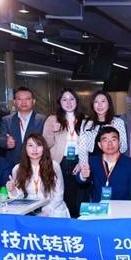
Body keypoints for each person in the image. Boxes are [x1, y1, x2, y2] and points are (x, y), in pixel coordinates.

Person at [43, 89, 87, 217]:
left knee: (79, 195)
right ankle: (65, 220)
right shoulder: (52, 119)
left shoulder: (85, 119)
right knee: (62, 192)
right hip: (59, 160)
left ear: (77, 101)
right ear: (59, 102)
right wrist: (52, 131)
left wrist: (82, 162)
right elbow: (45, 144)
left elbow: (89, 145)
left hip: (79, 160)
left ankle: (79, 220)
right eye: (64, 99)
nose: (68, 102)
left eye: (72, 99)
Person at [6, 134, 69, 218]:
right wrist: (13, 190)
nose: (34, 149)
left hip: (54, 210)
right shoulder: (17, 169)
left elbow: (59, 194)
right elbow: (20, 198)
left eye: (39, 145)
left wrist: (47, 211)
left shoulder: (54, 166)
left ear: (44, 148)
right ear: (25, 148)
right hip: (30, 212)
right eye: (30, 145)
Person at [77, 126, 131, 203]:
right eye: (105, 140)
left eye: (113, 140)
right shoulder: (93, 161)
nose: (110, 143)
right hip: (99, 207)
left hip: (122, 207)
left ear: (119, 143)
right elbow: (80, 180)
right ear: (99, 145)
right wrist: (83, 176)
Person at [77, 90, 128, 168]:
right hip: (92, 163)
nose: (99, 105)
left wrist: (113, 132)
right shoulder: (86, 123)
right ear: (92, 105)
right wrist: (84, 166)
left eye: (103, 101)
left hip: (113, 164)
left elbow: (123, 148)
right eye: (96, 102)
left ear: (109, 104)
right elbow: (82, 148)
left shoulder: (118, 122)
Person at [0, 87, 46, 166]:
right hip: (12, 163)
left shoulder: (43, 120)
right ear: (14, 102)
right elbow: (0, 138)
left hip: (35, 163)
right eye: (19, 99)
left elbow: (47, 141)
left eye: (27, 99)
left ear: (33, 101)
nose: (23, 102)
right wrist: (6, 142)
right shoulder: (6, 120)